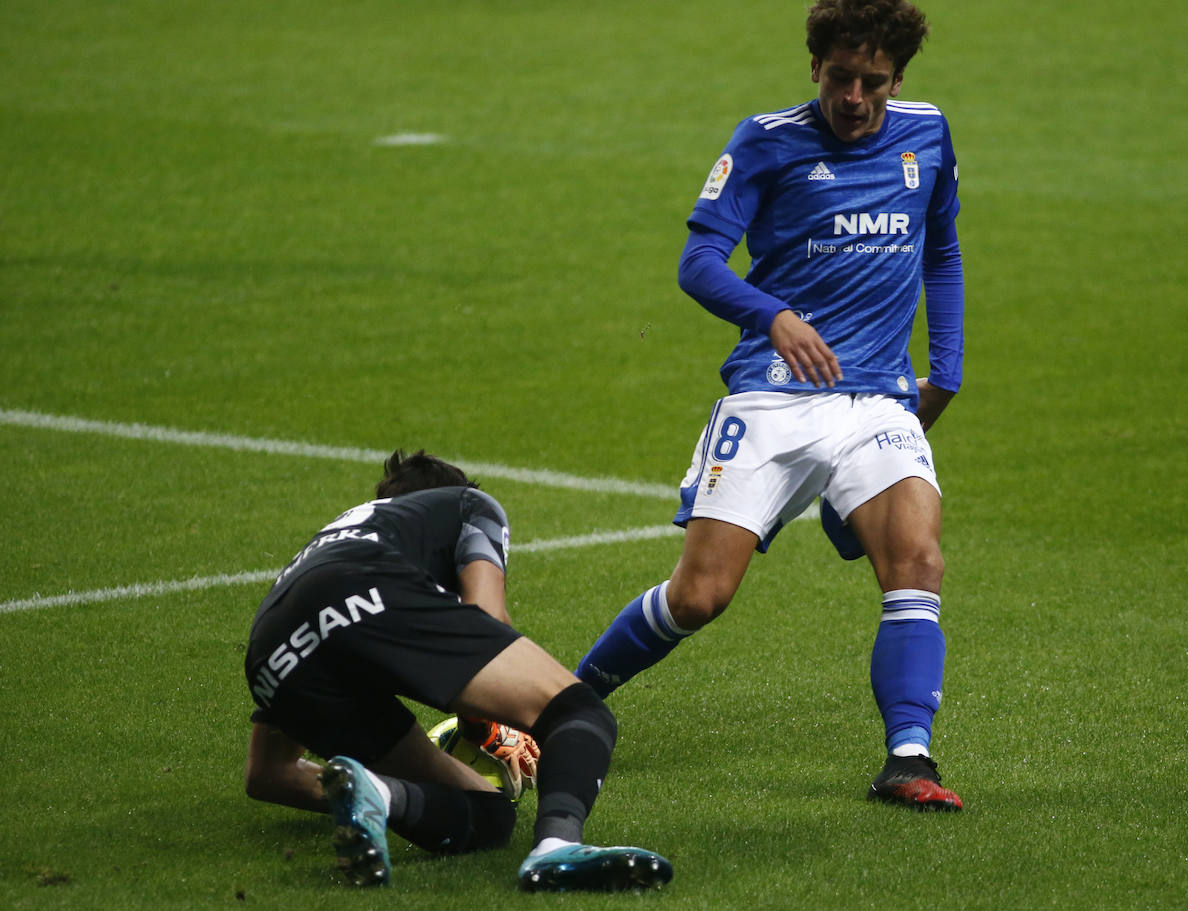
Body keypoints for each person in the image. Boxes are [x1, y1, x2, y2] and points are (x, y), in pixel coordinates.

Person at [575, 0, 965, 811]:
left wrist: (947, 372)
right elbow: (699, 261)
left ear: (898, 78)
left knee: (918, 562)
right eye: (840, 77)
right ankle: (560, 698)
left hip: (877, 400)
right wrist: (773, 315)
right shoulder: (766, 139)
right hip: (776, 395)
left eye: (874, 82)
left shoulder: (928, 133)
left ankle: (908, 758)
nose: (855, 97)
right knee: (700, 596)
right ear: (814, 66)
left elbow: (943, 248)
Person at [243, 450, 672, 891]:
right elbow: (485, 618)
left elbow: (268, 775)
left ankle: (378, 792)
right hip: (367, 594)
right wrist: (484, 730)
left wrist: (345, 788)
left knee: (489, 818)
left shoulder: (333, 542)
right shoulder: (468, 504)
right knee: (578, 711)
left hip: (268, 651)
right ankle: (557, 847)